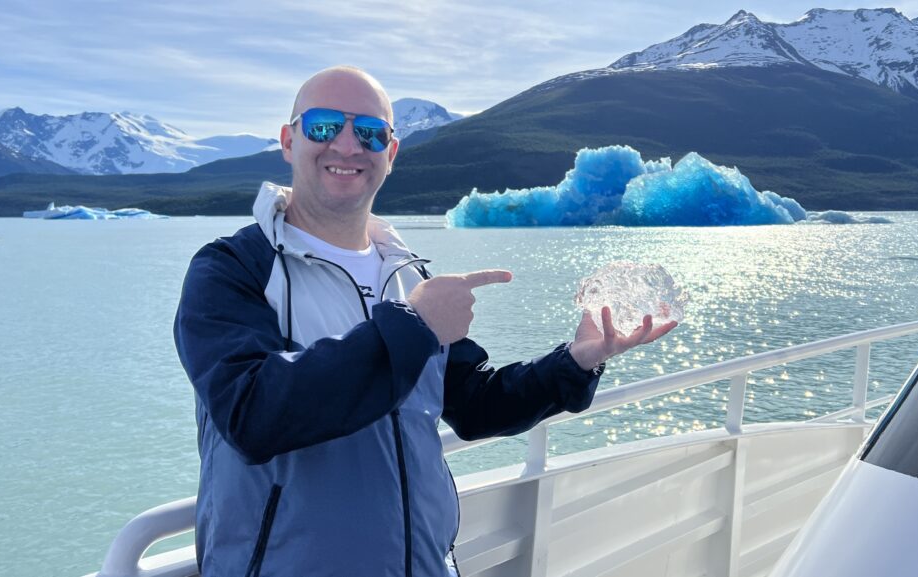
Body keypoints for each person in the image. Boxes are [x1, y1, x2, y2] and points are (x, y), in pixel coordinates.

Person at [173, 65, 676, 577]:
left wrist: (575, 361)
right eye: (324, 126)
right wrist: (414, 326)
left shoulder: (406, 273)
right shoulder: (234, 269)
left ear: (390, 154)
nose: (347, 146)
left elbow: (475, 404)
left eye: (370, 132)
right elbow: (252, 416)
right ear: (288, 141)